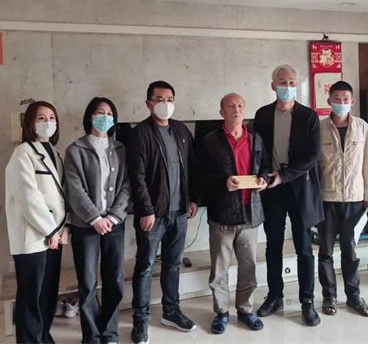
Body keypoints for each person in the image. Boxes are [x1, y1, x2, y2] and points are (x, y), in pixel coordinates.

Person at [128, 81, 199, 344]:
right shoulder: (140, 134)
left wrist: (193, 199)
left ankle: (171, 311)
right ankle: (140, 319)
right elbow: (137, 177)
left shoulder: (181, 130)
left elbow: (192, 167)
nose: (165, 104)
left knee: (173, 264)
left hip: (179, 212)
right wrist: (146, 210)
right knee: (145, 266)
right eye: (159, 99)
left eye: (169, 99)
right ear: (148, 104)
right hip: (153, 215)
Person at [253, 65, 324, 326]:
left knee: (304, 247)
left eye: (292, 82)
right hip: (272, 189)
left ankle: (307, 301)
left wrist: (285, 175)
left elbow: (313, 155)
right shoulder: (262, 115)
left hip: (300, 188)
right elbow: (258, 151)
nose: (287, 86)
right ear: (273, 86)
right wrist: (264, 175)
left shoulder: (309, 116)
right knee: (273, 245)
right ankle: (275, 296)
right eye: (282, 82)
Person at [201, 93, 270, 335]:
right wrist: (223, 183)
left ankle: (245, 310)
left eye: (240, 105)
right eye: (231, 106)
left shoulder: (256, 138)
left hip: (251, 215)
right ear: (222, 112)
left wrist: (264, 179)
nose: (237, 109)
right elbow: (200, 176)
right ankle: (221, 313)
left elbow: (265, 167)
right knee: (219, 269)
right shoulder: (210, 141)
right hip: (222, 216)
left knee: (248, 268)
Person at [64, 97, 131, 344]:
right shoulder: (75, 150)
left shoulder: (120, 149)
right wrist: (94, 218)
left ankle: (110, 333)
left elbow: (126, 186)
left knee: (114, 280)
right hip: (86, 226)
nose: (105, 117)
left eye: (110, 113)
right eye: (100, 112)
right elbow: (74, 189)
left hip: (115, 224)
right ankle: (91, 336)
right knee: (88, 282)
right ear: (90, 117)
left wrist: (112, 216)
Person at [5, 101, 69, 344]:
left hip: (55, 235)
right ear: (30, 123)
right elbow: (28, 197)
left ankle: (42, 336)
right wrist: (51, 231)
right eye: (41, 118)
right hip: (33, 237)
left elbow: (61, 195)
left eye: (52, 117)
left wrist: (63, 229)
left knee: (48, 293)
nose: (48, 122)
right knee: (31, 295)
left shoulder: (55, 154)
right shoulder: (22, 153)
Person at [317, 81, 368, 317]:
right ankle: (329, 296)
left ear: (352, 102)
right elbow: (315, 166)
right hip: (326, 199)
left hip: (355, 198)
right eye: (337, 99)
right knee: (325, 252)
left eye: (345, 99)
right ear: (329, 101)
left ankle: (354, 296)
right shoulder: (319, 128)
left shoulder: (362, 128)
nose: (341, 103)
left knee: (350, 252)